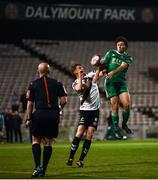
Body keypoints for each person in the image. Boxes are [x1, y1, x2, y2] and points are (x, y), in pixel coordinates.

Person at [25, 62, 67, 178]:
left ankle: (37, 166)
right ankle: (44, 168)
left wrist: (28, 118)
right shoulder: (57, 83)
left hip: (39, 114)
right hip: (53, 114)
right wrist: (58, 108)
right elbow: (64, 101)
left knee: (36, 140)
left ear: (38, 71)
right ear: (49, 71)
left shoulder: (33, 84)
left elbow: (29, 104)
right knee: (48, 142)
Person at [66, 63, 102, 168]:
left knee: (89, 135)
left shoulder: (90, 76)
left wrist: (101, 65)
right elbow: (79, 89)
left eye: (82, 67)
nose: (82, 69)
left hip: (95, 111)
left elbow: (100, 73)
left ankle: (81, 160)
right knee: (80, 131)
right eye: (79, 68)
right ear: (75, 72)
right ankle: (71, 157)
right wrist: (81, 77)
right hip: (85, 111)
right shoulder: (76, 83)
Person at [100, 36, 133, 138]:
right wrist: (102, 68)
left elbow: (123, 66)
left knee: (126, 105)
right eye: (118, 45)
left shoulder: (128, 57)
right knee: (115, 105)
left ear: (125, 46)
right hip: (110, 83)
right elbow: (103, 64)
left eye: (122, 45)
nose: (119, 46)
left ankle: (124, 124)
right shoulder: (110, 53)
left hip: (121, 83)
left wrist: (112, 72)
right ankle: (115, 128)